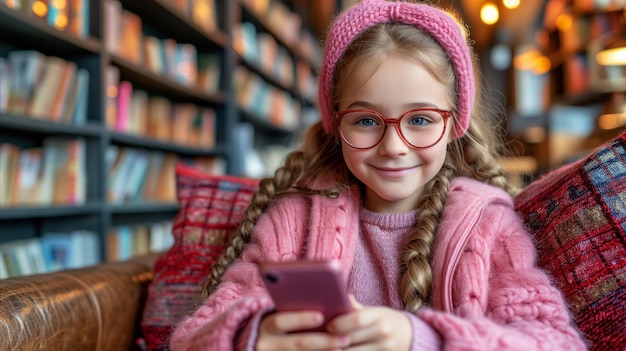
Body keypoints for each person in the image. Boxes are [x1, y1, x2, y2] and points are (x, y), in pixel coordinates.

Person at [170, 0, 587, 350]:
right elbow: (193, 336)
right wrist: (253, 335)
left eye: (421, 119)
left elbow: (554, 341)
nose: (394, 146)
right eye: (366, 121)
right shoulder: (292, 219)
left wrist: (419, 337)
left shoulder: (488, 224)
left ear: (455, 123)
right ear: (336, 123)